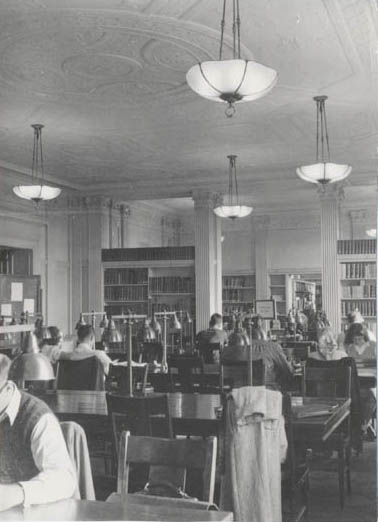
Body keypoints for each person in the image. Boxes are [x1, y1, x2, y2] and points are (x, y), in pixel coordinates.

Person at [0, 354, 77, 511]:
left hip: (36, 513)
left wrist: (16, 493)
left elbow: (65, 479)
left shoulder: (38, 418)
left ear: (8, 388)